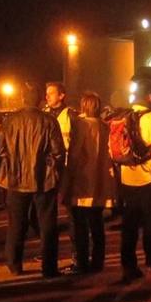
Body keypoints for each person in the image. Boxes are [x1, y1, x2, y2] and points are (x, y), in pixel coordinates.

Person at [0, 83, 65, 278]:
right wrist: (51, 166)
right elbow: (58, 152)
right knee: (47, 224)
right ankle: (49, 267)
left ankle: (14, 263)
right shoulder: (49, 121)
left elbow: (1, 150)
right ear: (39, 100)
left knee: (16, 223)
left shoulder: (10, 121)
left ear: (22, 100)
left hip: (15, 179)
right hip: (43, 179)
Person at [117, 79, 151, 285]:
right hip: (148, 180)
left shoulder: (123, 116)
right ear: (150, 96)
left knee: (129, 226)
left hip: (126, 178)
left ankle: (128, 267)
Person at [59, 92, 113, 274]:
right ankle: (98, 261)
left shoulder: (81, 125)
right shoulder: (105, 126)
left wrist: (67, 178)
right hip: (100, 179)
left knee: (78, 224)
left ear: (84, 106)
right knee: (97, 223)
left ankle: (80, 261)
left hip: (82, 180)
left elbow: (74, 155)